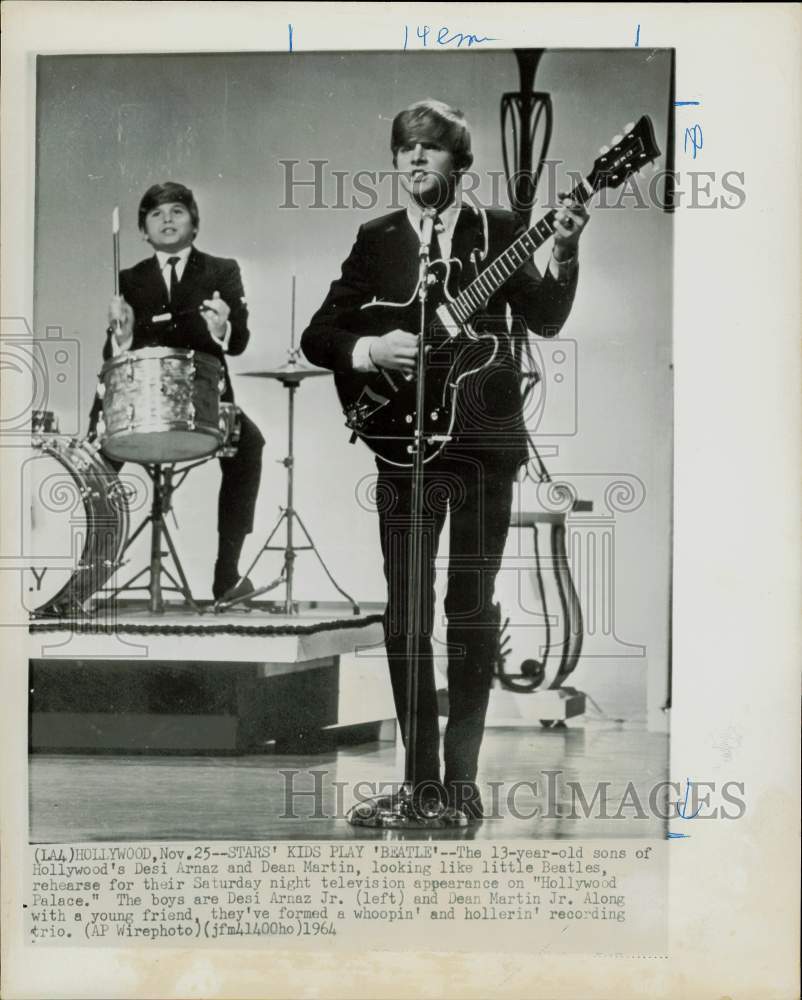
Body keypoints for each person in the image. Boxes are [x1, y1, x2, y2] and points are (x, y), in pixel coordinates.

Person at [301, 100, 588, 821]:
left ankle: (459, 785)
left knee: (469, 612)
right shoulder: (378, 239)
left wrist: (569, 248)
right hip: (402, 449)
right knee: (405, 615)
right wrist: (369, 350)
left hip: (486, 449)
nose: (415, 159)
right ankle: (417, 780)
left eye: (431, 149)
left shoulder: (504, 232)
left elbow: (547, 319)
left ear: (459, 163)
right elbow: (320, 335)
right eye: (406, 149)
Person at [89, 182, 264, 602]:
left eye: (177, 211)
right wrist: (123, 335)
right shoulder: (130, 278)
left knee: (250, 445)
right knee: (93, 461)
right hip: (141, 398)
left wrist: (221, 328)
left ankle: (227, 576)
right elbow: (111, 352)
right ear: (143, 232)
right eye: (155, 214)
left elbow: (238, 341)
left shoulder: (222, 270)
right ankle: (84, 572)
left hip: (202, 398)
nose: (167, 219)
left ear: (194, 224)